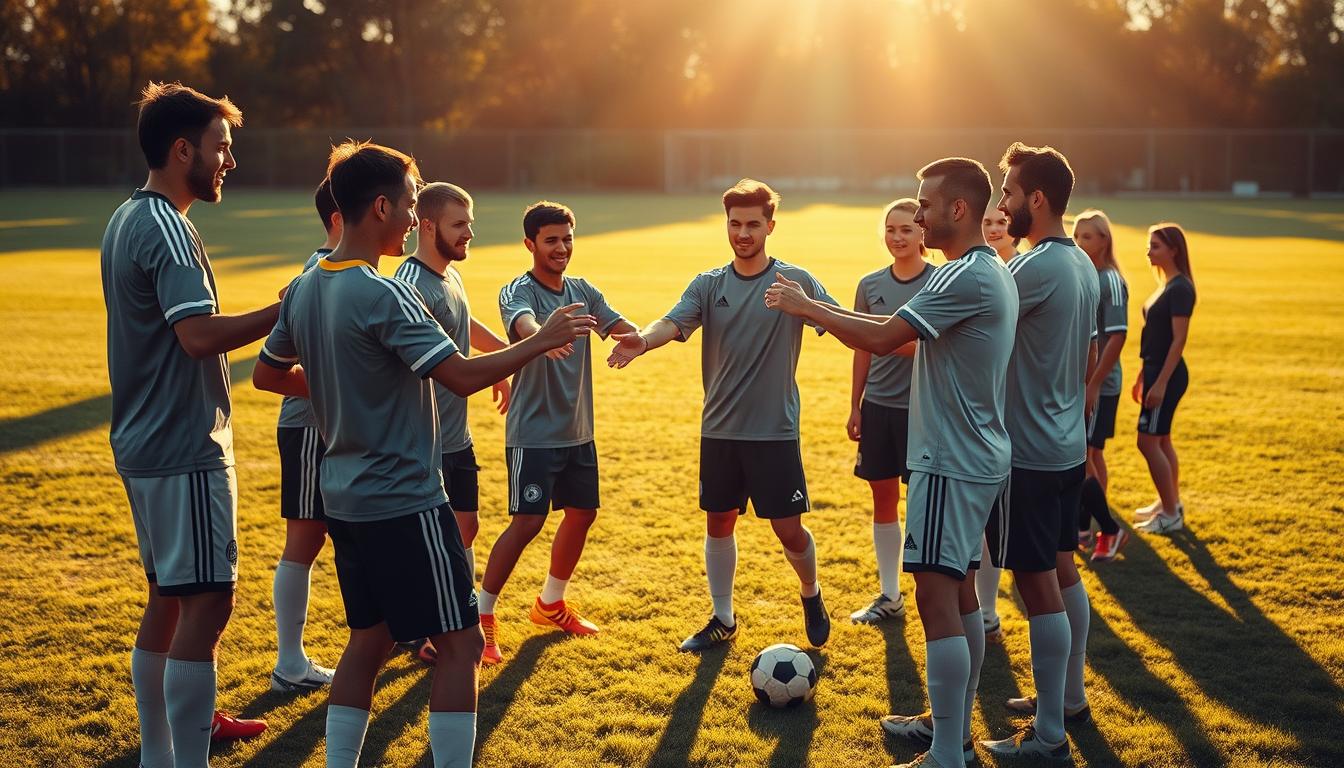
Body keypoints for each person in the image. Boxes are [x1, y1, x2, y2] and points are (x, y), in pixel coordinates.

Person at [253, 140, 594, 768]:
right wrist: (540, 341)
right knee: (461, 645)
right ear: (381, 207)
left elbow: (268, 374)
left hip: (344, 496)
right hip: (405, 498)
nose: (415, 219)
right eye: (411, 204)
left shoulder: (303, 287)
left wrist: (342, 384)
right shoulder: (386, 294)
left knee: (369, 639)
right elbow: (460, 375)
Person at [764, 159, 1017, 768]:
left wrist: (806, 307)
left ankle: (948, 753)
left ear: (958, 209)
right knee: (959, 599)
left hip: (952, 461)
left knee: (935, 599)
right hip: (977, 456)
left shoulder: (965, 277)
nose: (919, 214)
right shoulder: (983, 270)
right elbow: (890, 327)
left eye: (926, 204)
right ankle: (950, 732)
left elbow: (880, 341)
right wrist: (825, 311)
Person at [101, 81, 271, 768]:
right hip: (181, 445)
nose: (228, 161)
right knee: (209, 601)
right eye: (220, 148)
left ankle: (158, 754)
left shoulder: (125, 217)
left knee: (169, 599)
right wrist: (286, 308)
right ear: (182, 150)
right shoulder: (167, 226)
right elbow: (199, 336)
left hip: (144, 443)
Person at [608, 179, 836, 654]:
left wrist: (812, 307)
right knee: (719, 522)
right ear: (727, 225)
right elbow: (672, 322)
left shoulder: (794, 281)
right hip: (720, 429)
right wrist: (643, 341)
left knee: (787, 528)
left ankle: (811, 594)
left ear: (771, 225)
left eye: (753, 224)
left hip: (774, 431)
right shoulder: (709, 284)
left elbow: (835, 321)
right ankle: (722, 617)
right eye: (735, 224)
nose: (743, 233)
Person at [476, 201, 636, 664]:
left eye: (567, 238)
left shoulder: (583, 290)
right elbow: (523, 323)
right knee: (527, 522)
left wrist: (637, 338)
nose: (561, 247)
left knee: (583, 513)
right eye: (551, 240)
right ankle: (482, 618)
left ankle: (550, 603)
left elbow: (620, 324)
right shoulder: (518, 290)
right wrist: (545, 335)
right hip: (533, 433)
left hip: (578, 431)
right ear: (530, 244)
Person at [983, 143, 1099, 760]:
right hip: (1065, 448)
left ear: (1037, 199)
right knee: (1062, 569)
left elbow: (973, 324)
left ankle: (1050, 735)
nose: (1001, 203)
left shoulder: (1035, 268)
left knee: (1036, 589)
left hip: (1029, 453)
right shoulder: (1078, 261)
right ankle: (1067, 698)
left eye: (1008, 192)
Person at [394, 182, 511, 665]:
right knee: (433, 540)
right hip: (423, 439)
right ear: (427, 225)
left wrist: (502, 359)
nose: (469, 233)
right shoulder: (410, 285)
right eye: (459, 224)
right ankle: (423, 628)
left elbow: (464, 325)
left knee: (465, 527)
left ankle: (451, 623)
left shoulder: (447, 275)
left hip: (455, 436)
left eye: (470, 223)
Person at [269, 178, 342, 692]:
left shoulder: (338, 270)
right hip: (310, 429)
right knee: (306, 538)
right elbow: (278, 368)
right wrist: (336, 390)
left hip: (335, 428)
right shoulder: (317, 272)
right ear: (342, 217)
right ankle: (289, 663)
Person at [847, 199, 932, 623]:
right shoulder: (870, 284)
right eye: (890, 229)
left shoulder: (940, 280)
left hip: (924, 412)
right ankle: (889, 595)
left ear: (922, 234)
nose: (897, 238)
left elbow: (937, 351)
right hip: (877, 408)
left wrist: (887, 340)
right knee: (883, 501)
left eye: (906, 230)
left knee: (922, 505)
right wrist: (855, 404)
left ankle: (928, 596)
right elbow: (863, 345)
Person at [1073, 209, 1130, 561]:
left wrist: (1093, 385)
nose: (1080, 243)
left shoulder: (1109, 279)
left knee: (1083, 457)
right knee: (1091, 454)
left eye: (1088, 237)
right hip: (1084, 381)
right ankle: (1085, 525)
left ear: (1104, 240)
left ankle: (1109, 528)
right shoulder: (1086, 274)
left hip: (1100, 384)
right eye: (1077, 236)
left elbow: (1117, 338)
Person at [973, 207, 1019, 643]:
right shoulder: (987, 273)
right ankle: (978, 609)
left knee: (991, 526)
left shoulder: (1015, 275)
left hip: (1002, 417)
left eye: (999, 224)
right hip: (985, 414)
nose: (992, 230)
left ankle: (985, 609)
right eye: (987, 224)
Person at [1132, 223, 1195, 534]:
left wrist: (1160, 382)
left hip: (1167, 375)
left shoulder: (1181, 288)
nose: (1149, 251)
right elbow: (1155, 337)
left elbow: (1178, 340)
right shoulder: (1168, 284)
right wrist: (1145, 374)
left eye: (1155, 245)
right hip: (1155, 370)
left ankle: (1170, 514)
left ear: (1173, 250)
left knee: (1147, 441)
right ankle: (1169, 501)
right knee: (1162, 439)